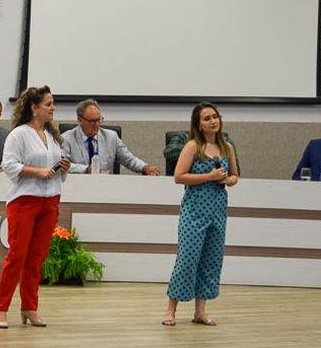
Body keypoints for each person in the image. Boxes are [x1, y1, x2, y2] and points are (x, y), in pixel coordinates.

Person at [0, 85, 70, 329]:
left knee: (37, 258)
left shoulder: (52, 136)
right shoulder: (19, 134)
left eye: (53, 103)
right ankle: (1, 308)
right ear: (34, 108)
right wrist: (37, 171)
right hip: (25, 201)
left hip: (50, 201)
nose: (53, 108)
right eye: (48, 104)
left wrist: (63, 168)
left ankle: (29, 306)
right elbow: (9, 165)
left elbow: (55, 169)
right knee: (17, 256)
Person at [162, 102, 239, 327]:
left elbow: (235, 175)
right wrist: (209, 176)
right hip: (194, 211)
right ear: (198, 124)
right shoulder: (193, 146)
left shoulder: (227, 147)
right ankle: (170, 310)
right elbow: (179, 176)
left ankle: (200, 311)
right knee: (187, 259)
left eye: (215, 116)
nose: (213, 121)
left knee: (211, 260)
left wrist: (228, 180)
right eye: (207, 118)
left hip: (218, 211)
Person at [61, 99, 160, 175]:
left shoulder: (111, 137)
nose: (96, 125)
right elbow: (61, 165)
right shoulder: (66, 138)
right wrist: (85, 169)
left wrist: (144, 167)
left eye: (98, 120)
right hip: (77, 188)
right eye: (92, 121)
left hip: (106, 187)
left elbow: (129, 159)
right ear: (80, 120)